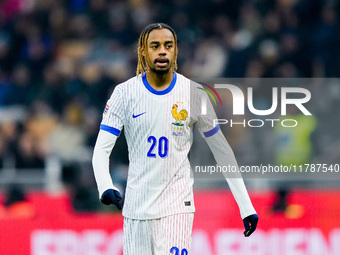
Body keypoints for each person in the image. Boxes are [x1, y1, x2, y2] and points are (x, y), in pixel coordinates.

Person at [92, 23, 258, 254]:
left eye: (168, 46)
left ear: (175, 51)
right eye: (155, 46)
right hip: (136, 208)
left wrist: (245, 205)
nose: (162, 51)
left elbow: (222, 152)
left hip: (177, 206)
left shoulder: (195, 94)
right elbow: (101, 150)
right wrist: (105, 186)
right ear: (143, 51)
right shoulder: (124, 93)